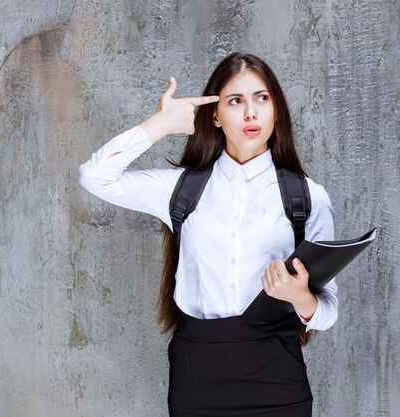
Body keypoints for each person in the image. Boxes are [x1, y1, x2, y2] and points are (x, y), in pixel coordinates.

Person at [79, 52, 338, 417]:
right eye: (236, 101)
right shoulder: (180, 190)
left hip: (276, 379)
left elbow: (327, 312)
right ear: (215, 116)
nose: (251, 113)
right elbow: (94, 176)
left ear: (276, 110)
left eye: (262, 99)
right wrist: (160, 124)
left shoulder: (308, 198)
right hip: (196, 375)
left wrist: (301, 298)